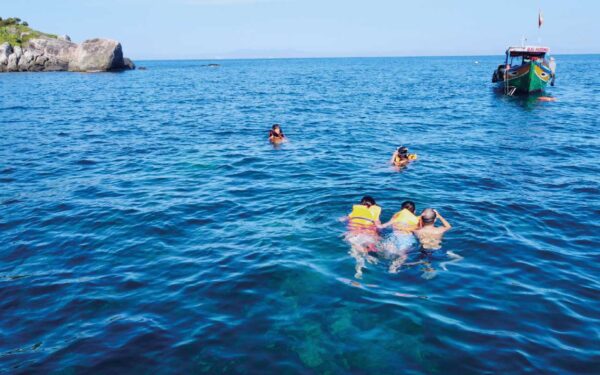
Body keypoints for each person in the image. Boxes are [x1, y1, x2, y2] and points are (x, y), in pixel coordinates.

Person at [343, 195, 382, 279]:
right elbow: (379, 227)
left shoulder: (354, 213)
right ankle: (368, 256)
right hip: (368, 235)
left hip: (353, 235)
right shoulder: (375, 214)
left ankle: (359, 270)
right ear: (373, 205)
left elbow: (342, 219)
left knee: (356, 252)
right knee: (370, 247)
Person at [379, 201, 420, 273]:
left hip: (393, 236)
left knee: (386, 252)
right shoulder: (416, 220)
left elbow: (383, 226)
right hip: (406, 239)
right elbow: (418, 232)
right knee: (403, 255)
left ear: (401, 210)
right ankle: (393, 268)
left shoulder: (395, 217)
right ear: (415, 211)